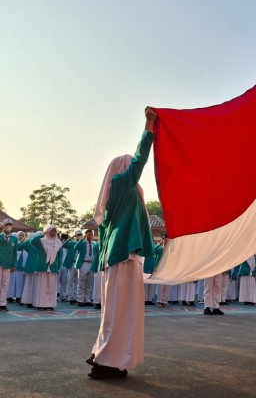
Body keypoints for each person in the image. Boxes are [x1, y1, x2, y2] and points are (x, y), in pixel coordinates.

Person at [86, 107, 156, 379]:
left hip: (119, 258)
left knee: (117, 313)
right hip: (124, 258)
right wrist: (149, 125)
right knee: (122, 313)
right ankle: (109, 361)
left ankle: (107, 357)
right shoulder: (123, 185)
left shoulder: (117, 197)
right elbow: (139, 160)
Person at [30, 225, 63, 310]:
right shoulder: (42, 240)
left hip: (53, 267)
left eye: (54, 231)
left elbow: (59, 256)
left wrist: (58, 267)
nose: (53, 233)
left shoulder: (58, 243)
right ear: (48, 231)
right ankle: (41, 304)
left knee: (51, 287)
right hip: (42, 266)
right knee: (42, 286)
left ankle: (50, 304)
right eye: (51, 231)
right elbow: (32, 242)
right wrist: (42, 234)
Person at [74, 229, 95, 306]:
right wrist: (83, 238)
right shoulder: (82, 243)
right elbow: (76, 247)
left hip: (91, 264)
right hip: (83, 263)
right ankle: (80, 300)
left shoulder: (94, 244)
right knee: (81, 282)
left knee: (89, 283)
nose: (90, 236)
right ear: (85, 235)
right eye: (88, 234)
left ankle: (87, 300)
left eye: (91, 234)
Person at [0, 219, 18, 312]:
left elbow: (15, 253)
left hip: (8, 264)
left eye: (10, 224)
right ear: (3, 225)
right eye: (7, 224)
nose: (8, 226)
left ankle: (3, 304)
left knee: (5, 284)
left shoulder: (14, 239)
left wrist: (14, 265)